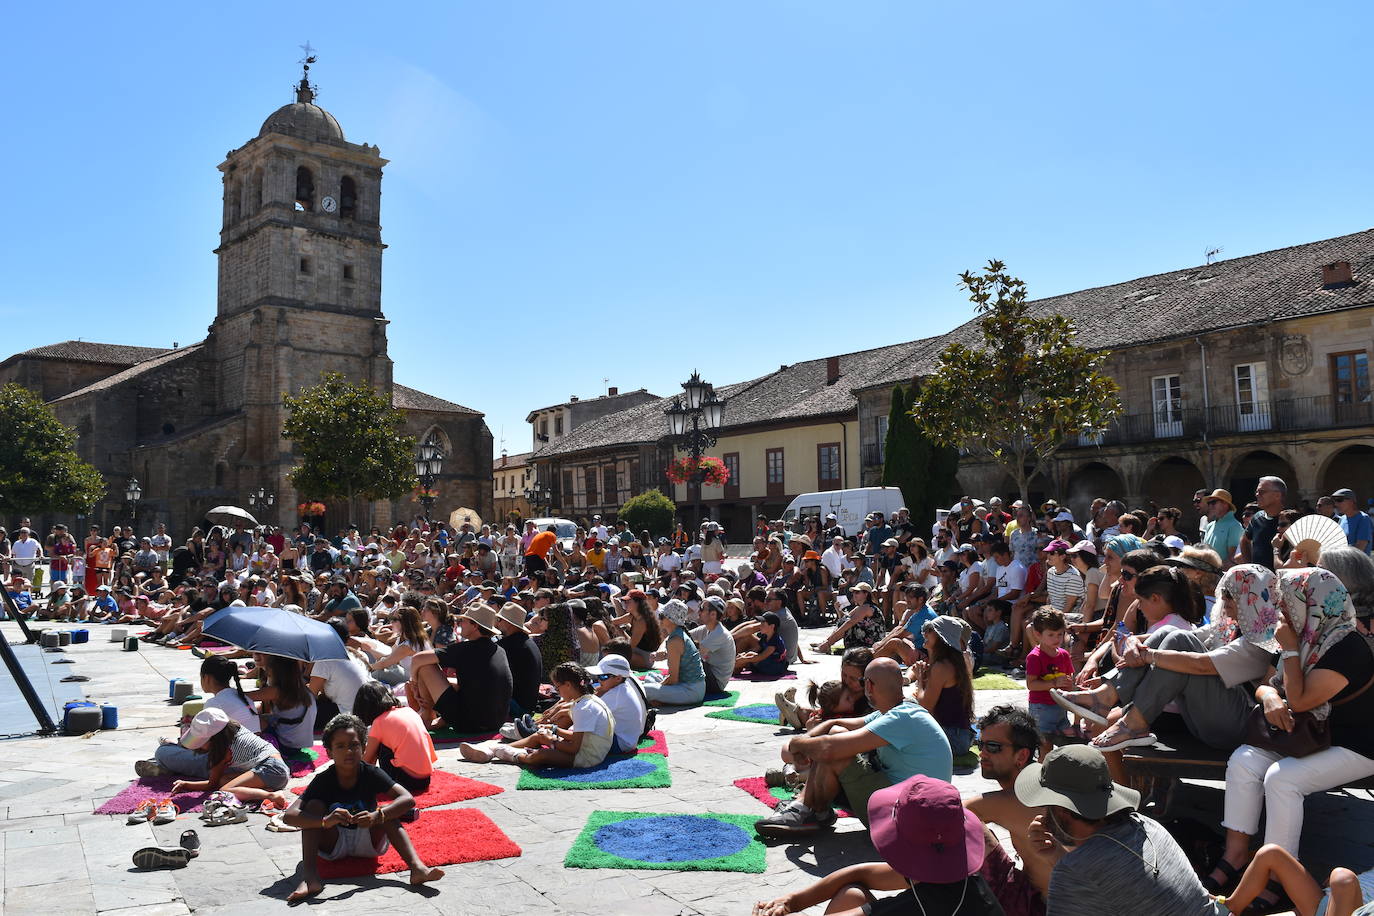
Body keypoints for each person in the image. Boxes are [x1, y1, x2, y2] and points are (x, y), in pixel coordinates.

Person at [1212, 567, 1374, 908]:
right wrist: (1269, 697)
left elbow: (1300, 700)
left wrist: (1288, 650)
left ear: (1312, 602)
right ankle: (1236, 855)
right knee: (1244, 760)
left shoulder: (1348, 645)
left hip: (1356, 744)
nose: (1280, 609)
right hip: (1309, 737)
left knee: (1282, 779)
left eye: (1286, 601)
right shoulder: (1299, 634)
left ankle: (1277, 875)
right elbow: (1267, 685)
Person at [1014, 744, 1222, 915]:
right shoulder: (1145, 825)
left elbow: (1094, 873)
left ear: (1061, 811)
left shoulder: (1073, 871)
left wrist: (1065, 864)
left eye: (1046, 804)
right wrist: (1057, 856)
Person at [753, 775, 1004, 916]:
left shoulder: (914, 908)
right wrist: (791, 900)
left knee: (852, 897)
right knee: (852, 892)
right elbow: (860, 873)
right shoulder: (959, 878)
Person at [757, 658, 952, 837]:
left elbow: (830, 749)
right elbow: (835, 727)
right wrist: (807, 738)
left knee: (836, 751)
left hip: (908, 820)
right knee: (834, 738)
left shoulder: (901, 717)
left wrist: (798, 743)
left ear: (868, 685)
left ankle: (808, 809)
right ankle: (811, 808)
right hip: (918, 813)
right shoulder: (900, 711)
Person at [284, 713, 444, 902]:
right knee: (314, 806)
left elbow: (407, 799)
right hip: (334, 843)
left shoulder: (371, 773)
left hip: (368, 839)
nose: (348, 751)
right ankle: (310, 877)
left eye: (354, 745)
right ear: (329, 752)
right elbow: (289, 816)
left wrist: (378, 816)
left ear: (364, 747)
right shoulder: (323, 780)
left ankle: (417, 868)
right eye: (340, 746)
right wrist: (325, 822)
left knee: (388, 811)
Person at [965, 706, 1050, 916]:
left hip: (1044, 907)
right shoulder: (1039, 781)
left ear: (1021, 755)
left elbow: (947, 814)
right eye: (980, 744)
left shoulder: (1016, 799)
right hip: (1039, 896)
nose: (982, 753)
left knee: (964, 828)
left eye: (993, 747)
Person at [460, 662, 616, 768]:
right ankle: (493, 749)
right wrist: (554, 730)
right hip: (588, 749)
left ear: (568, 685)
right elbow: (578, 737)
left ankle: (510, 754)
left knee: (541, 755)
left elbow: (574, 748)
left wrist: (552, 742)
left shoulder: (584, 707)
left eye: (557, 687)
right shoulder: (587, 700)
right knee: (541, 735)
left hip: (587, 758)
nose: (557, 691)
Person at [151, 708, 291, 807]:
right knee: (223, 781)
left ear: (212, 740)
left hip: (271, 770)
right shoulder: (235, 730)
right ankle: (264, 790)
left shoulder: (223, 750)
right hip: (276, 769)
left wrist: (187, 785)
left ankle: (271, 796)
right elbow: (216, 780)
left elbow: (211, 785)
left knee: (224, 790)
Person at [408, 604, 513, 733]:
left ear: (475, 626)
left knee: (426, 667)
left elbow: (417, 659)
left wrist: (414, 684)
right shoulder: (499, 650)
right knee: (456, 682)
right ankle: (434, 718)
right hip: (496, 721)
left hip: (470, 723)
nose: (459, 623)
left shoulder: (466, 648)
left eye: (462, 621)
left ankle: (427, 715)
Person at [353, 681, 437, 794]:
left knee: (378, 747)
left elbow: (367, 759)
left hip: (405, 780)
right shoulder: (409, 711)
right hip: (425, 779)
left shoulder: (380, 722)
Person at [911, 615, 975, 756]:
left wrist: (921, 678)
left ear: (941, 637)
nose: (925, 633)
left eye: (930, 630)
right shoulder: (953, 662)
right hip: (959, 736)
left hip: (952, 738)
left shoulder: (941, 666)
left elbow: (925, 706)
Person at [642, 599, 706, 706]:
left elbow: (673, 679)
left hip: (691, 691)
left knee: (645, 689)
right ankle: (660, 700)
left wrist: (658, 687)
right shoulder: (677, 635)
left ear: (672, 620)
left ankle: (659, 700)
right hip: (691, 687)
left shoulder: (675, 640)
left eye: (662, 616)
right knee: (651, 676)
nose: (659, 618)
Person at [1024, 609, 1075, 740]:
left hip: (1061, 705)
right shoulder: (1035, 657)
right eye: (1051, 635)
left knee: (1064, 740)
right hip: (1041, 708)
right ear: (1038, 634)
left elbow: (1070, 679)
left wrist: (1073, 686)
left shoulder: (1064, 655)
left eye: (1060, 634)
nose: (1057, 639)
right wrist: (1054, 683)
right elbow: (1031, 684)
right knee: (1044, 743)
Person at [494, 602, 543, 716]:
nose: (497, 623)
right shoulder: (526, 642)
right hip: (527, 705)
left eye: (500, 619)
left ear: (509, 623)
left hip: (518, 707)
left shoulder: (507, 646)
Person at [1239, 476, 1287, 571]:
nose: (1257, 495)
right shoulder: (1257, 518)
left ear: (1277, 495)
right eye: (1256, 491)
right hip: (1259, 580)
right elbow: (1244, 540)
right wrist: (1250, 566)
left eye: (1261, 492)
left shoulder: (1289, 520)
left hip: (1282, 579)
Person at [692, 596, 738, 693]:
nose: (698, 612)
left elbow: (694, 650)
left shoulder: (720, 633)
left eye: (702, 609)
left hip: (715, 683)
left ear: (713, 614)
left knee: (690, 657)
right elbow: (683, 636)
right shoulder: (705, 629)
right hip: (709, 675)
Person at [734, 611, 790, 676]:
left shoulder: (774, 641)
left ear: (772, 626)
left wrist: (744, 659)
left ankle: (730, 670)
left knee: (746, 659)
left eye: (763, 624)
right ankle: (732, 668)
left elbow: (761, 657)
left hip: (774, 667)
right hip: (767, 661)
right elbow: (756, 649)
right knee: (748, 655)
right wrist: (743, 655)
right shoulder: (764, 636)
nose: (760, 626)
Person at [1202, 489, 1244, 568]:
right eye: (1209, 503)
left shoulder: (1235, 526)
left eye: (1213, 502)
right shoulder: (1209, 526)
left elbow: (1232, 558)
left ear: (1225, 504)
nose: (1210, 506)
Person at [1332, 487, 1373, 554]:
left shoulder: (1363, 519)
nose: (1336, 504)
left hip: (1358, 563)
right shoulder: (1342, 519)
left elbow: (1359, 548)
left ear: (1351, 502)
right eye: (1334, 501)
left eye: (1339, 500)